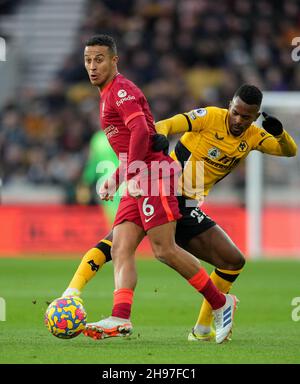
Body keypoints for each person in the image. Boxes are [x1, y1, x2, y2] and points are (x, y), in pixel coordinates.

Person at [63, 82, 297, 342]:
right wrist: (156, 141)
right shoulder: (210, 117)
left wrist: (280, 135)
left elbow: (289, 151)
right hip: (166, 187)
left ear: (254, 117)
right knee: (122, 243)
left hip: (187, 204)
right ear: (230, 105)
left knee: (231, 261)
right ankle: (77, 296)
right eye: (235, 112)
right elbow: (167, 124)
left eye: (246, 116)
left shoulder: (254, 137)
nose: (238, 120)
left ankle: (201, 329)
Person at [75, 34, 237, 344]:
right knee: (121, 246)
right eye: (88, 60)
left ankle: (221, 302)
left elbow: (139, 130)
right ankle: (121, 317)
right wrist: (122, 174)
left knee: (164, 250)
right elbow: (139, 133)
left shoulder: (120, 90)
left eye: (99, 60)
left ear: (113, 61)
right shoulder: (107, 93)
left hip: (152, 176)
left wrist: (127, 173)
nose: (92, 66)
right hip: (139, 175)